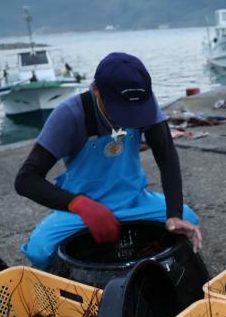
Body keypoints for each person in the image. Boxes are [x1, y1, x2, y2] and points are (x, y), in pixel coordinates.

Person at [15, 52, 201, 270]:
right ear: (96, 90)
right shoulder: (69, 115)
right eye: (121, 111)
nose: (130, 119)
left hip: (134, 201)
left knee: (189, 220)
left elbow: (167, 157)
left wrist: (174, 215)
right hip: (83, 209)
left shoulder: (146, 105)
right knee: (39, 251)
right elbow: (26, 179)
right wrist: (79, 204)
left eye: (136, 112)